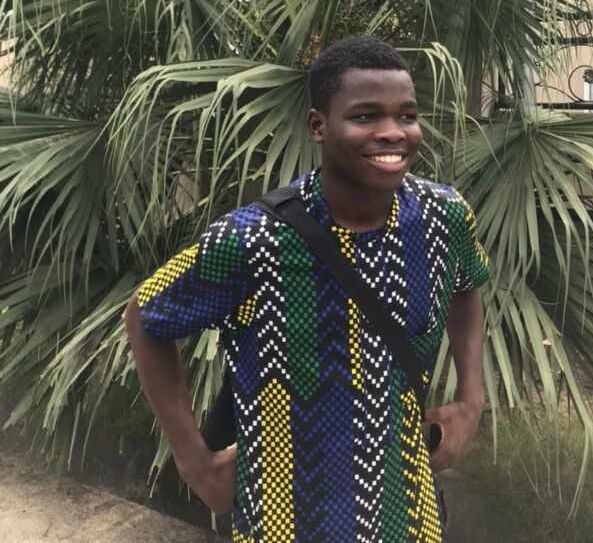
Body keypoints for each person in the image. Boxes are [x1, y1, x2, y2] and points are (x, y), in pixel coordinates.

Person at [125, 35, 489, 543]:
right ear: (319, 126)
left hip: (407, 508)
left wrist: (471, 398)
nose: (393, 132)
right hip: (286, 516)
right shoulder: (255, 239)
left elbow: (467, 285)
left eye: (406, 115)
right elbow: (146, 315)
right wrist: (195, 463)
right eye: (366, 116)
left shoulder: (441, 215)